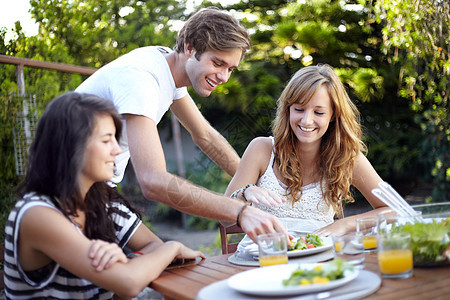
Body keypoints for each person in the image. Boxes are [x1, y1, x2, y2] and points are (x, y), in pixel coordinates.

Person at [75, 7, 287, 241]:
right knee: (161, 260)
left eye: (230, 69)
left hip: (100, 191)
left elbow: (205, 136)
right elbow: (153, 181)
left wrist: (254, 184)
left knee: (169, 255)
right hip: (69, 192)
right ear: (189, 47)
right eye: (217, 63)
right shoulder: (142, 80)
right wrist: (240, 211)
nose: (224, 77)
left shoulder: (166, 65)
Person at [3, 92, 205, 299]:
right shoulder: (37, 215)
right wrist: (173, 247)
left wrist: (127, 263)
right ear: (71, 146)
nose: (117, 150)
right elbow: (129, 283)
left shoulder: (103, 203)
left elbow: (152, 247)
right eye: (107, 140)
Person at [225, 64, 388, 251]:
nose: (306, 121)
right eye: (299, 109)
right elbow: (224, 220)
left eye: (318, 112)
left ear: (333, 115)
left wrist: (345, 224)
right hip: (262, 261)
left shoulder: (347, 157)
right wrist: (244, 192)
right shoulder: (262, 149)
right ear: (288, 109)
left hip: (318, 264)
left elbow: (395, 211)